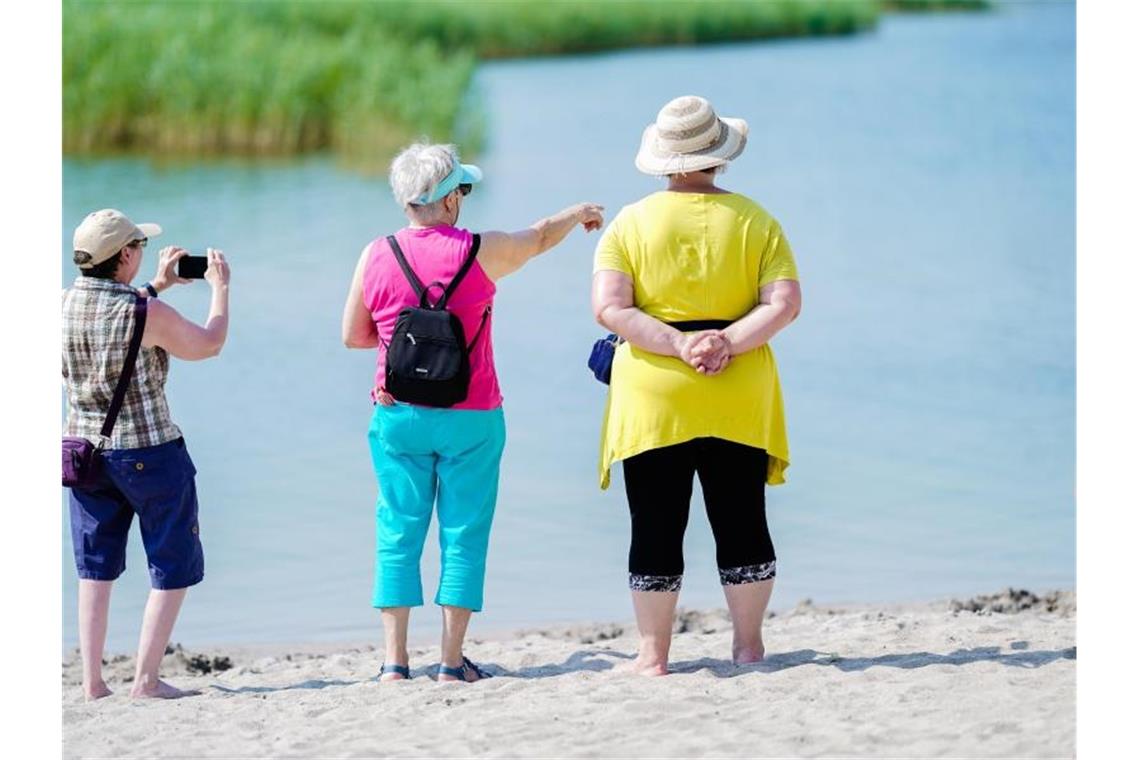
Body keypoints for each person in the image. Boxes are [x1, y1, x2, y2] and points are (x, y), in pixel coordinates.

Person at [342, 142, 603, 682]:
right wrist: (578, 213)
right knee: (463, 532)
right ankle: (451, 661)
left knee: (397, 528)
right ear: (451, 199)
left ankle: (393, 663)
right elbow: (538, 237)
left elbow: (354, 335)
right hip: (473, 415)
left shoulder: (376, 253)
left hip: (398, 414)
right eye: (463, 188)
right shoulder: (480, 251)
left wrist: (402, 345)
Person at [591, 96, 802, 676]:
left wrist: (678, 344)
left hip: (654, 393)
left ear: (663, 159)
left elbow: (610, 308)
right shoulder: (758, 220)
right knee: (742, 519)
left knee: (655, 524)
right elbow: (784, 305)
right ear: (719, 158)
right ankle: (749, 646)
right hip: (738, 388)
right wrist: (726, 342)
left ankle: (653, 655)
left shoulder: (629, 223)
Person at [63, 208, 231, 700]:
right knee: (171, 563)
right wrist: (221, 289)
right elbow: (209, 344)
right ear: (126, 256)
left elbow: (113, 316)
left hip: (83, 453)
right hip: (150, 452)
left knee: (94, 569)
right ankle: (146, 679)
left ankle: (93, 682)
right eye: (137, 246)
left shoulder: (60, 304)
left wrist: (157, 285)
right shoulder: (144, 312)